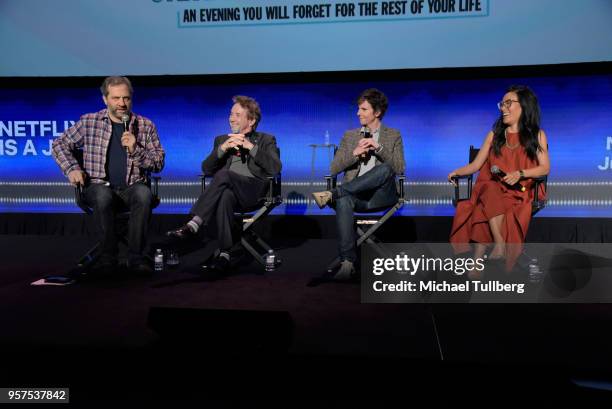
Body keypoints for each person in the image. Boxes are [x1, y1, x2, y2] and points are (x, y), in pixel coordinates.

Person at [52, 76, 165, 275]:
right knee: (103, 196)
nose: (122, 103)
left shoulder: (145, 125)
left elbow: (158, 163)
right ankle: (108, 258)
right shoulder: (89, 122)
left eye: (126, 98)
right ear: (105, 99)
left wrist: (135, 148)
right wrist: (72, 168)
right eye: (116, 98)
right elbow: (59, 144)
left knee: (144, 195)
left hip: (132, 186)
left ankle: (136, 258)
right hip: (98, 186)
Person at [166, 95, 281, 273]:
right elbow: (206, 169)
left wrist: (250, 147)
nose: (231, 118)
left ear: (251, 120)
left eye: (237, 114)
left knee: (225, 174)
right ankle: (225, 254)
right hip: (232, 191)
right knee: (225, 195)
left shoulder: (266, 140)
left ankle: (195, 222)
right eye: (230, 113)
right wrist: (222, 149)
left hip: (254, 191)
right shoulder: (221, 140)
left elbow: (275, 168)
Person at [448, 85, 550, 271]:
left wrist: (520, 174)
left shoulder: (537, 135)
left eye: (508, 103)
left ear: (524, 106)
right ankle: (499, 244)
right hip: (493, 190)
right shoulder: (494, 135)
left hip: (519, 191)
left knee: (483, 205)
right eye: (501, 104)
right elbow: (476, 165)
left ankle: (477, 262)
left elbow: (544, 168)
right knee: (488, 188)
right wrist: (457, 172)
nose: (503, 108)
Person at [311, 88, 406, 280]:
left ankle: (334, 193)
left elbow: (399, 168)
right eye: (358, 109)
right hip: (355, 195)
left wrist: (378, 148)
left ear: (377, 112)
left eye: (363, 109)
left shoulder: (393, 135)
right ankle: (348, 263)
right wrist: (354, 153)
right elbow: (334, 168)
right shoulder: (350, 136)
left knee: (386, 169)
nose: (358, 113)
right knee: (345, 200)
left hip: (380, 195)